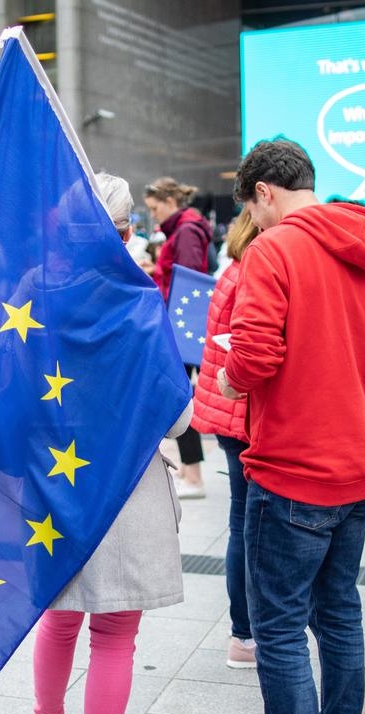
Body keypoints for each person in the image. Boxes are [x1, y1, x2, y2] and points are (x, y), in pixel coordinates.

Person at [218, 138, 365, 714]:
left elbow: (257, 353)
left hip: (293, 464)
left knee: (281, 625)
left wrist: (228, 377)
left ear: (264, 191)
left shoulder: (275, 249)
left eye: (253, 210)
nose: (255, 225)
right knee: (341, 612)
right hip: (358, 459)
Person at [29, 173, 191, 714]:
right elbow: (178, 420)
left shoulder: (29, 294)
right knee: (115, 636)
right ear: (125, 233)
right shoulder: (136, 303)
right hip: (125, 486)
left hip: (51, 489)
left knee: (60, 615)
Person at [191, 209, 258, 668]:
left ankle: (244, 634)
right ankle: (247, 632)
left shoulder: (233, 269)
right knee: (251, 525)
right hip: (245, 409)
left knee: (243, 521)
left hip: (230, 409)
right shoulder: (253, 273)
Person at [145, 177, 213, 499]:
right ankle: (190, 469)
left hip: (178, 327)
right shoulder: (186, 229)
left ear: (169, 201)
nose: (154, 216)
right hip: (180, 326)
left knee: (179, 397)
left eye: (155, 209)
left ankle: (194, 473)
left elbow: (187, 283)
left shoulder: (185, 231)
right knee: (181, 395)